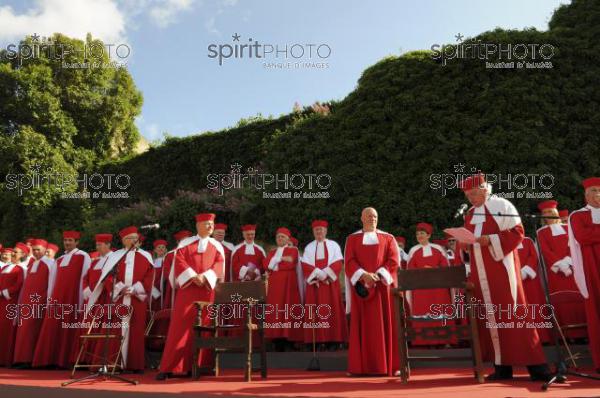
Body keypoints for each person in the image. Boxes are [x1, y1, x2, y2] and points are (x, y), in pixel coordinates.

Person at [459, 174, 551, 381]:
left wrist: (488, 240)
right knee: (491, 318)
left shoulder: (501, 204)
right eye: (468, 195)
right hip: (480, 272)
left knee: (514, 314)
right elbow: (467, 240)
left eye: (473, 193)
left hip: (501, 268)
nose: (471, 199)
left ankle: (537, 366)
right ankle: (502, 367)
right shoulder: (470, 213)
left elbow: (517, 232)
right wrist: (463, 245)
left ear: (484, 189)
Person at [157, 213, 225, 380]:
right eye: (207, 224)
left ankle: (198, 367)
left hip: (206, 291)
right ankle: (169, 367)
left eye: (212, 224)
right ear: (198, 225)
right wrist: (193, 276)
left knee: (203, 328)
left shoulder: (217, 246)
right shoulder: (185, 244)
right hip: (187, 291)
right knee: (179, 329)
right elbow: (179, 261)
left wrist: (206, 276)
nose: (210, 226)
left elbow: (219, 264)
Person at [87, 226, 154, 372]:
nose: (135, 240)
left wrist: (135, 289)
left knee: (135, 330)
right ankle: (110, 363)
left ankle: (133, 364)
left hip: (136, 299)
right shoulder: (115, 256)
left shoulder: (146, 256)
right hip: (118, 299)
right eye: (131, 238)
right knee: (114, 330)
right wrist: (121, 288)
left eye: (136, 238)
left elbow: (149, 276)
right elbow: (108, 276)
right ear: (124, 240)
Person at [344, 207, 399, 376]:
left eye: (374, 216)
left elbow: (393, 260)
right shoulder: (352, 239)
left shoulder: (388, 238)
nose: (372, 219)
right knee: (362, 326)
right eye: (368, 216)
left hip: (382, 288)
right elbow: (349, 261)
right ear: (361, 218)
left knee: (386, 325)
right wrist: (363, 276)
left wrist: (377, 275)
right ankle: (360, 368)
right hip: (362, 290)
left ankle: (391, 365)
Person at [33, 231, 91, 368]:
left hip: (72, 298)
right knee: (53, 329)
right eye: (65, 240)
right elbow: (52, 281)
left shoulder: (83, 256)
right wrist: (50, 299)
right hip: (57, 300)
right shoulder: (59, 259)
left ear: (77, 242)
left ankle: (67, 361)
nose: (67, 242)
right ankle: (50, 360)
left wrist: (81, 299)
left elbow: (85, 278)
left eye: (70, 240)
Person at [536, 200, 587, 339]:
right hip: (556, 272)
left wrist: (568, 261)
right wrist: (561, 265)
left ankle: (582, 332)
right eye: (545, 213)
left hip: (573, 269)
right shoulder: (541, 232)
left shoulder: (567, 228)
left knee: (577, 297)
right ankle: (565, 335)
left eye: (550, 212)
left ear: (555, 213)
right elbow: (546, 251)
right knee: (559, 300)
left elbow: (574, 246)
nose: (547, 215)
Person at [569, 176, 600, 372]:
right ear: (585, 195)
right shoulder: (577, 216)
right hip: (593, 270)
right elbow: (583, 237)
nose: (598, 194)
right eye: (593, 191)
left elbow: (591, 235)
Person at [406, 223, 455, 347]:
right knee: (423, 313)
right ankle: (423, 341)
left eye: (422, 233)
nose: (419, 236)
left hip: (438, 287)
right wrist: (422, 271)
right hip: (420, 289)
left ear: (429, 235)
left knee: (441, 312)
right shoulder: (413, 250)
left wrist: (433, 269)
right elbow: (409, 271)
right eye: (417, 234)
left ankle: (445, 340)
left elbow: (446, 268)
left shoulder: (438, 249)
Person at [301, 220, 347, 349]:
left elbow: (338, 263)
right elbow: (305, 265)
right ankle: (314, 342)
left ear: (326, 231)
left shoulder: (334, 245)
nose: (319, 232)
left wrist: (324, 274)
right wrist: (318, 274)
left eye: (321, 229)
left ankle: (333, 340)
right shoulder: (309, 247)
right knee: (314, 312)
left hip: (329, 284)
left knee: (332, 311)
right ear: (313, 232)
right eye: (316, 230)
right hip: (315, 285)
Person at [13, 239, 55, 367]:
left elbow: (51, 283)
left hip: (39, 302)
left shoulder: (50, 263)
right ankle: (21, 359)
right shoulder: (31, 265)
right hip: (26, 302)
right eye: (34, 250)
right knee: (24, 329)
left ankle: (31, 360)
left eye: (39, 250)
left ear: (44, 250)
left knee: (32, 330)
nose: (36, 252)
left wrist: (47, 301)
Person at [264, 227, 304, 349]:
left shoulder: (293, 250)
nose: (280, 239)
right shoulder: (271, 252)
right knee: (276, 311)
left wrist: (276, 262)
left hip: (288, 286)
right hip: (275, 287)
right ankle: (277, 340)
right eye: (278, 237)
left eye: (283, 237)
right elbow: (266, 264)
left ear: (288, 239)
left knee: (288, 309)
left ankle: (290, 340)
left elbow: (290, 263)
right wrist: (280, 259)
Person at [517, 236, 552, 343]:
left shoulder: (527, 240)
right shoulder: (503, 242)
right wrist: (517, 273)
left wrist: (525, 271)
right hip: (515, 279)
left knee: (536, 306)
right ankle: (525, 339)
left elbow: (533, 256)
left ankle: (542, 336)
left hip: (530, 279)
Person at [0, 243, 28, 366]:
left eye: (15, 252)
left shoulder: (21, 269)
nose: (12, 254)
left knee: (7, 329)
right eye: (13, 252)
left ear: (23, 254)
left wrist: (3, 293)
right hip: (1, 301)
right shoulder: (4, 268)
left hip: (10, 302)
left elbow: (19, 285)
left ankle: (6, 359)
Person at [162, 230, 193, 310]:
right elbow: (166, 272)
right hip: (174, 287)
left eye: (188, 240)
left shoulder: (194, 253)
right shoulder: (170, 254)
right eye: (184, 240)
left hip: (192, 284)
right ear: (178, 241)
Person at [150, 239, 168, 311]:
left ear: (166, 250)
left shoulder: (167, 260)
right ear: (155, 250)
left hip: (163, 287)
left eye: (163, 247)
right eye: (159, 247)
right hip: (152, 289)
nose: (161, 249)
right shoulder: (152, 262)